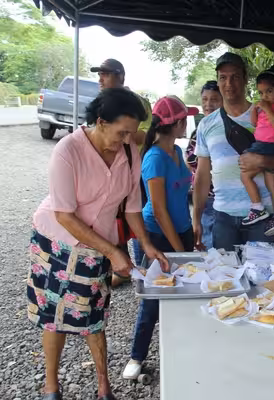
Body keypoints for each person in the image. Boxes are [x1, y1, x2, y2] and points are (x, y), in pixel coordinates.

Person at [27, 88, 168, 400]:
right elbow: (64, 215)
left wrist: (146, 244)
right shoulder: (68, 150)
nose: (128, 139)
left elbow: (132, 207)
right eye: (122, 132)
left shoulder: (129, 152)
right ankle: (51, 387)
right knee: (54, 317)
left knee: (94, 317)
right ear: (101, 121)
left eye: (132, 132)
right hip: (56, 241)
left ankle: (104, 387)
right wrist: (113, 251)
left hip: (98, 244)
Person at [122, 96, 199, 380]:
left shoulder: (176, 151)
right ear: (177, 124)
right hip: (158, 236)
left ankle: (182, 351)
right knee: (153, 298)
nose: (187, 123)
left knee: (184, 292)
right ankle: (137, 356)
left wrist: (191, 229)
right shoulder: (154, 159)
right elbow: (159, 209)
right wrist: (179, 251)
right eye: (185, 118)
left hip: (182, 231)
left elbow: (181, 196)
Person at [192, 52, 274, 251]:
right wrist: (196, 219)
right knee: (225, 270)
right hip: (223, 215)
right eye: (223, 77)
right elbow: (202, 175)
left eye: (235, 77)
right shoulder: (206, 124)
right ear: (218, 81)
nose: (229, 83)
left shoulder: (266, 113)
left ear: (245, 79)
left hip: (263, 217)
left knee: (261, 270)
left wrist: (263, 161)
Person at [91, 58, 154, 273]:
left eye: (106, 74)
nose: (100, 79)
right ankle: (117, 264)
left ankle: (128, 266)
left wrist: (120, 132)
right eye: (99, 74)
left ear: (121, 76)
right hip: (102, 175)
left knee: (128, 219)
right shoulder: (72, 148)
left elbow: (145, 135)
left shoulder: (138, 103)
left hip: (128, 173)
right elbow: (64, 214)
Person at [241, 65, 274, 236]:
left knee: (245, 175)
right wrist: (254, 110)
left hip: (267, 146)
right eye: (261, 93)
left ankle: (257, 207)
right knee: (272, 183)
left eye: (269, 91)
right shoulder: (264, 106)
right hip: (265, 146)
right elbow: (254, 123)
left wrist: (268, 108)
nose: (265, 96)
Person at [185, 81, 223, 249]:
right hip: (205, 197)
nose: (208, 104)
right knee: (208, 245)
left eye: (214, 99)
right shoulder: (200, 129)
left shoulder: (226, 128)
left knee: (223, 247)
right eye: (205, 99)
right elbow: (191, 160)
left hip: (222, 198)